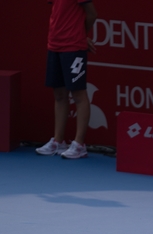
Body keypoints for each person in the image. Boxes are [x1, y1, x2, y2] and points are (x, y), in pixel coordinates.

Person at [36, 0, 98, 159]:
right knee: (59, 94)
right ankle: (58, 141)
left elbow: (92, 14)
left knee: (78, 94)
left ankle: (79, 145)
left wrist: (82, 35)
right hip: (54, 45)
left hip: (74, 47)